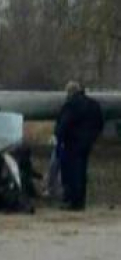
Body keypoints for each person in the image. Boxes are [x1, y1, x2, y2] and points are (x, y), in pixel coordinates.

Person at [55, 82, 104, 210]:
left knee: (71, 173)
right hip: (86, 143)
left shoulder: (71, 105)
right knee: (81, 172)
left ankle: (73, 201)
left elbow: (63, 123)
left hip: (72, 143)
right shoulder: (93, 104)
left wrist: (59, 139)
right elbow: (100, 123)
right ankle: (81, 201)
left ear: (70, 92)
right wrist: (92, 138)